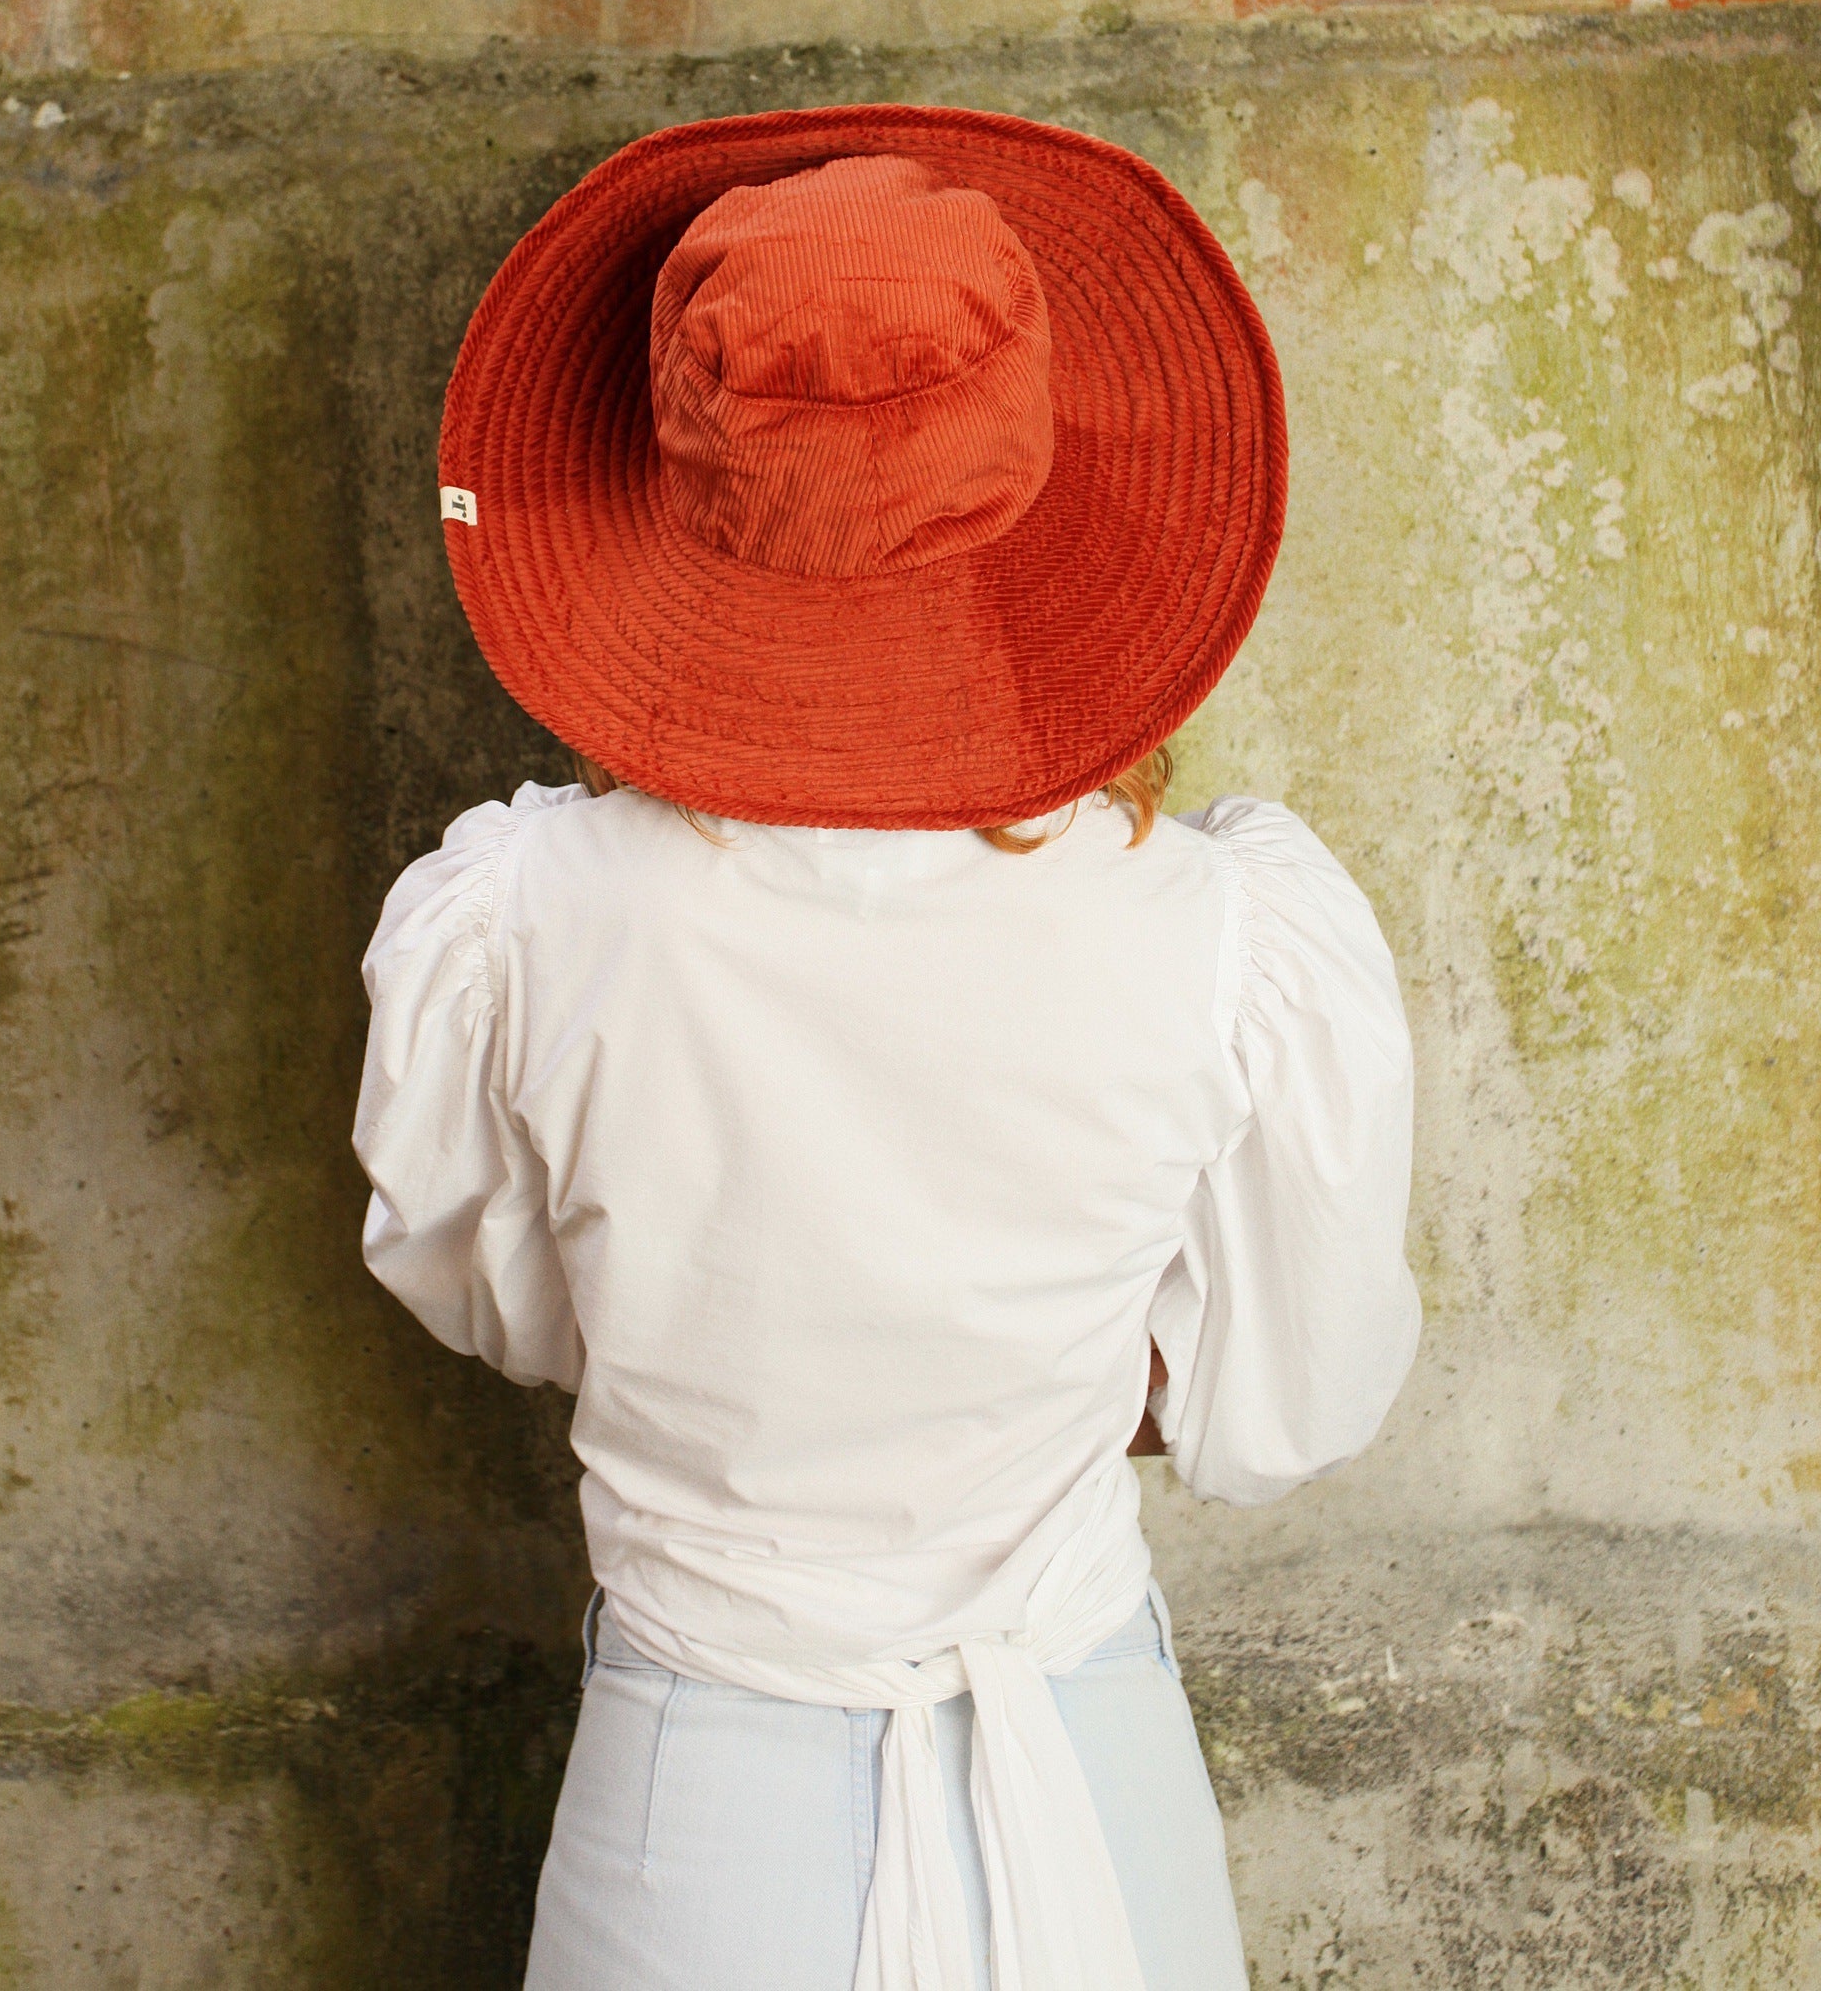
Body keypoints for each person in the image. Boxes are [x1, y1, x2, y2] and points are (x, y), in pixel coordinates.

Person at [354, 106, 1419, 1991]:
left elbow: (499, 1306)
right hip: (1088, 1782)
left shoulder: (524, 924)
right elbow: (1288, 1404)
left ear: (677, 475)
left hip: (693, 1815)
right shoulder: (1213, 935)